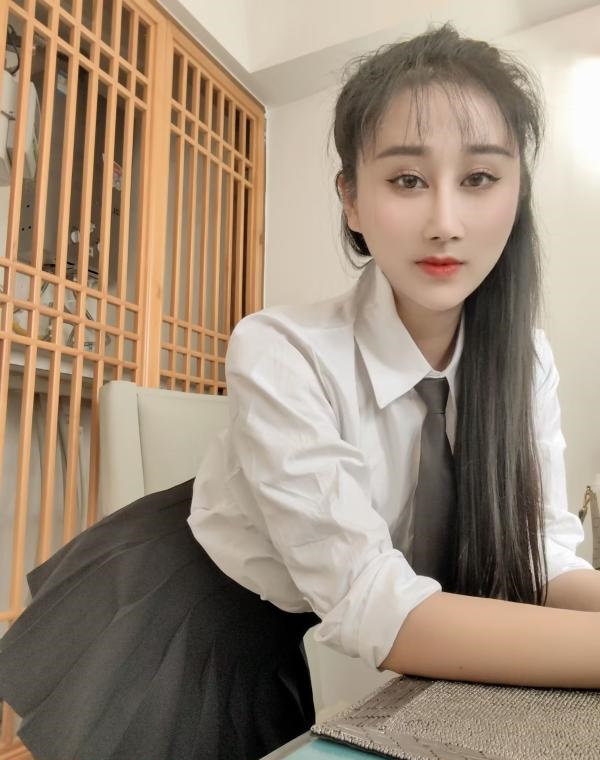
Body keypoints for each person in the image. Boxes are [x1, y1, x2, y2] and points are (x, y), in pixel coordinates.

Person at [2, 21, 600, 760]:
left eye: (479, 178)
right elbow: (375, 605)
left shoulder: (525, 360)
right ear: (352, 200)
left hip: (297, 622)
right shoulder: (280, 349)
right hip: (191, 608)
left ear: (516, 193)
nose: (445, 222)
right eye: (407, 180)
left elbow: (542, 550)